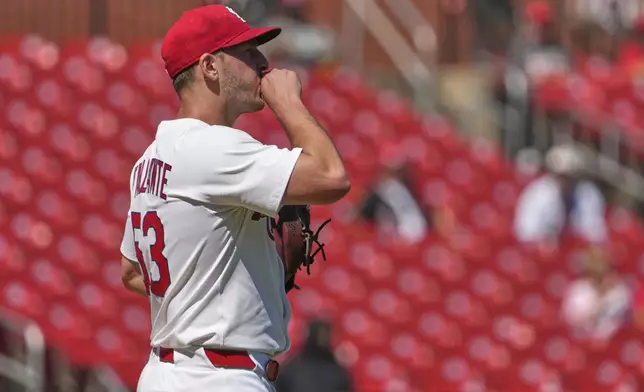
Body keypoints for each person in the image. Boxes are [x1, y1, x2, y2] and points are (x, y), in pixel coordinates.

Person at [118, 5, 350, 392]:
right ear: (210, 66)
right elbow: (331, 176)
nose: (263, 63)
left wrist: (237, 278)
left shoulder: (150, 158)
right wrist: (289, 103)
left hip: (166, 373)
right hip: (219, 377)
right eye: (247, 52)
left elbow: (132, 272)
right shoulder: (212, 146)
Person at [513, 144, 606, 245]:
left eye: (571, 175)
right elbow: (525, 233)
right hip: (544, 252)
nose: (566, 181)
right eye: (562, 176)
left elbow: (596, 233)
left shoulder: (588, 194)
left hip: (576, 252)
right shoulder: (538, 194)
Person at [561, 255, 630, 345]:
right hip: (581, 340)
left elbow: (622, 322)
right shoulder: (578, 289)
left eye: (604, 272)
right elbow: (570, 319)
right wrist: (598, 301)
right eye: (597, 273)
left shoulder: (620, 292)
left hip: (612, 342)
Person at [275, 320, 353, 392]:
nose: (323, 339)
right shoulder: (291, 369)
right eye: (320, 335)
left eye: (325, 335)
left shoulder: (337, 372)